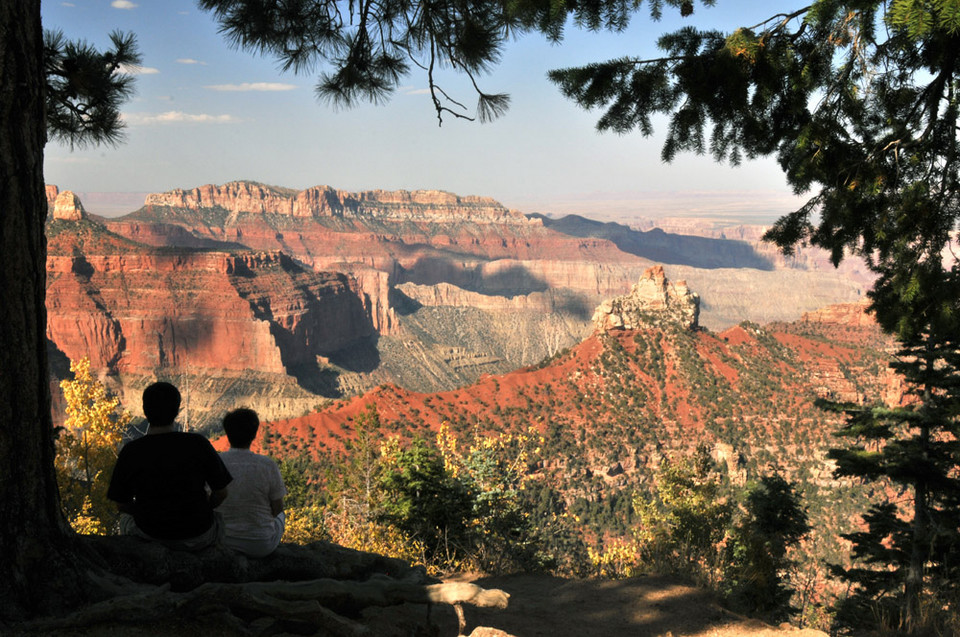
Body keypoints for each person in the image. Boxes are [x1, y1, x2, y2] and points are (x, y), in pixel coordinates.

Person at [107, 382, 232, 550]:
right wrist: (202, 508)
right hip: (197, 534)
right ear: (177, 410)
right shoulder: (198, 444)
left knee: (125, 521)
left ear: (145, 411)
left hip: (150, 535)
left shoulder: (132, 451)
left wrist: (147, 512)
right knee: (219, 520)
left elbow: (121, 504)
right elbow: (221, 492)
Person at [218, 408, 287, 557]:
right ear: (254, 434)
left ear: (227, 433)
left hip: (222, 541)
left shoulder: (217, 462)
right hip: (261, 545)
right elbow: (278, 507)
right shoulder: (267, 465)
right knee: (282, 516)